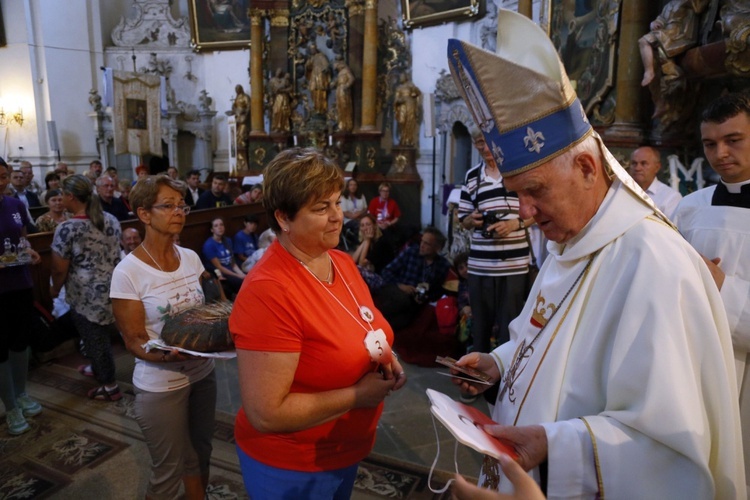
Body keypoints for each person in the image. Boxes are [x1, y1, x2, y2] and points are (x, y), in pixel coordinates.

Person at [445, 11, 743, 498]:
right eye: (515, 193)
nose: (524, 211)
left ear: (587, 166)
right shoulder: (572, 241)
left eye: (534, 190)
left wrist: (552, 444)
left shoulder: (654, 264)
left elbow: (670, 448)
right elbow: (547, 338)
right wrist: (499, 362)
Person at [228, 148, 405, 499]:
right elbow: (266, 413)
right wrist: (357, 395)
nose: (338, 216)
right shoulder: (270, 291)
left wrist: (386, 356)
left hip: (342, 449)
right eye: (321, 208)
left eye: (337, 203)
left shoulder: (339, 260)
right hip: (291, 465)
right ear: (283, 218)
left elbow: (362, 323)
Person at [110, 175, 217, 499]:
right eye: (168, 206)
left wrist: (221, 333)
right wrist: (166, 355)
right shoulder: (128, 272)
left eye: (181, 206)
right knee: (168, 471)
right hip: (161, 383)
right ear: (144, 214)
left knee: (200, 453)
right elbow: (134, 339)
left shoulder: (191, 257)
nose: (179, 212)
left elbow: (213, 307)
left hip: (203, 374)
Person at [673, 91, 750, 493]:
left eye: (733, 140)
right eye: (709, 143)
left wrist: (721, 287)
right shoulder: (689, 209)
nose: (720, 153)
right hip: (697, 366)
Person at [459, 133, 533, 353]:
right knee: (480, 328)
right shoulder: (472, 177)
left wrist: (515, 224)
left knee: (510, 329)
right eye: (480, 142)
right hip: (480, 267)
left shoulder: (518, 172)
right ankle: (479, 383)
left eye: (488, 141)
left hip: (514, 266)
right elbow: (463, 218)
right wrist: (471, 220)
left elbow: (537, 211)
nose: (485, 147)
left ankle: (505, 383)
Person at [51, 174, 123, 402]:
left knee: (95, 338)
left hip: (85, 294)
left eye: (62, 194)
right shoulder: (111, 219)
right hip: (113, 287)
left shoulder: (67, 228)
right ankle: (98, 367)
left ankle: (110, 386)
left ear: (71, 196)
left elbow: (59, 269)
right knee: (97, 337)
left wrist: (54, 289)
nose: (60, 198)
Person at [0, 158, 43, 436]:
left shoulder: (15, 204)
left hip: (20, 282)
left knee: (20, 343)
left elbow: (22, 239)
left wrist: (30, 252)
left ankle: (22, 392)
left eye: (3, 176)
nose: (1, 182)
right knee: (1, 348)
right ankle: (10, 404)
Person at [374, 227, 451, 330]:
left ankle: (381, 329)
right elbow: (386, 272)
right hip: (396, 287)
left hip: (414, 298)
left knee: (403, 319)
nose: (421, 245)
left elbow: (438, 291)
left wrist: (425, 296)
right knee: (402, 300)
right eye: (421, 241)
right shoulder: (411, 252)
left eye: (426, 243)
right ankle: (374, 321)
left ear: (437, 248)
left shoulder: (443, 265)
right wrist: (401, 286)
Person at [628, 146, 682, 218]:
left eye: (644, 163)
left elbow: (673, 228)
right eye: (634, 163)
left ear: (657, 167)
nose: (638, 168)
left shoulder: (670, 197)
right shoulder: (621, 191)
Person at [202, 216, 245, 297]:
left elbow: (233, 263)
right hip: (222, 274)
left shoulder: (227, 240)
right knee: (241, 282)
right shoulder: (209, 245)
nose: (220, 227)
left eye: (221, 225)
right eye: (216, 226)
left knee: (249, 277)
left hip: (231, 270)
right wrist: (238, 276)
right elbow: (219, 267)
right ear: (212, 230)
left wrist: (242, 274)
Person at [394, 74, 422, 147]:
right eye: (400, 77)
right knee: (402, 122)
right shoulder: (399, 88)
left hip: (410, 105)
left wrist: (416, 104)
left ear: (405, 77)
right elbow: (396, 100)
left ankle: (408, 140)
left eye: (402, 76)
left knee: (410, 121)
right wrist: (400, 100)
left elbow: (418, 93)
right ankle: (402, 138)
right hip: (402, 106)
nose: (401, 78)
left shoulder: (411, 86)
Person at [305, 45, 331, 115]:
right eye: (310, 50)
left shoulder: (321, 56)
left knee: (320, 91)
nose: (312, 51)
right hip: (314, 76)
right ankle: (315, 107)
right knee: (313, 91)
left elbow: (326, 65)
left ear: (315, 49)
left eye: (312, 49)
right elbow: (308, 67)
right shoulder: (311, 58)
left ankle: (321, 108)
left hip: (320, 75)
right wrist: (309, 62)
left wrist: (324, 69)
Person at [231, 84, 250, 171]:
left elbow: (249, 106)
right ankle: (239, 142)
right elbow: (234, 106)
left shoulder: (245, 97)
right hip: (237, 117)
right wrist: (234, 109)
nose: (237, 91)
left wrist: (245, 113)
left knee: (242, 131)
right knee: (237, 132)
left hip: (243, 117)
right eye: (236, 90)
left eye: (238, 89)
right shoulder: (237, 97)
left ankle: (241, 142)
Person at [333, 57, 355, 132]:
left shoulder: (346, 70)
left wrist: (346, 85)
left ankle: (346, 124)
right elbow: (337, 81)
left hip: (343, 89)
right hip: (339, 89)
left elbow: (351, 79)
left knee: (344, 106)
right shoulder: (340, 73)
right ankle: (341, 124)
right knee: (339, 107)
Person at [268, 68, 293, 133]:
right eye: (278, 71)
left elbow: (290, 88)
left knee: (283, 112)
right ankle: (276, 127)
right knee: (276, 111)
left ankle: (283, 127)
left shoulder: (284, 80)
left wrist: (283, 90)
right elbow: (271, 90)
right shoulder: (272, 80)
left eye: (280, 72)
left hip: (284, 97)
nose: (279, 73)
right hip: (277, 98)